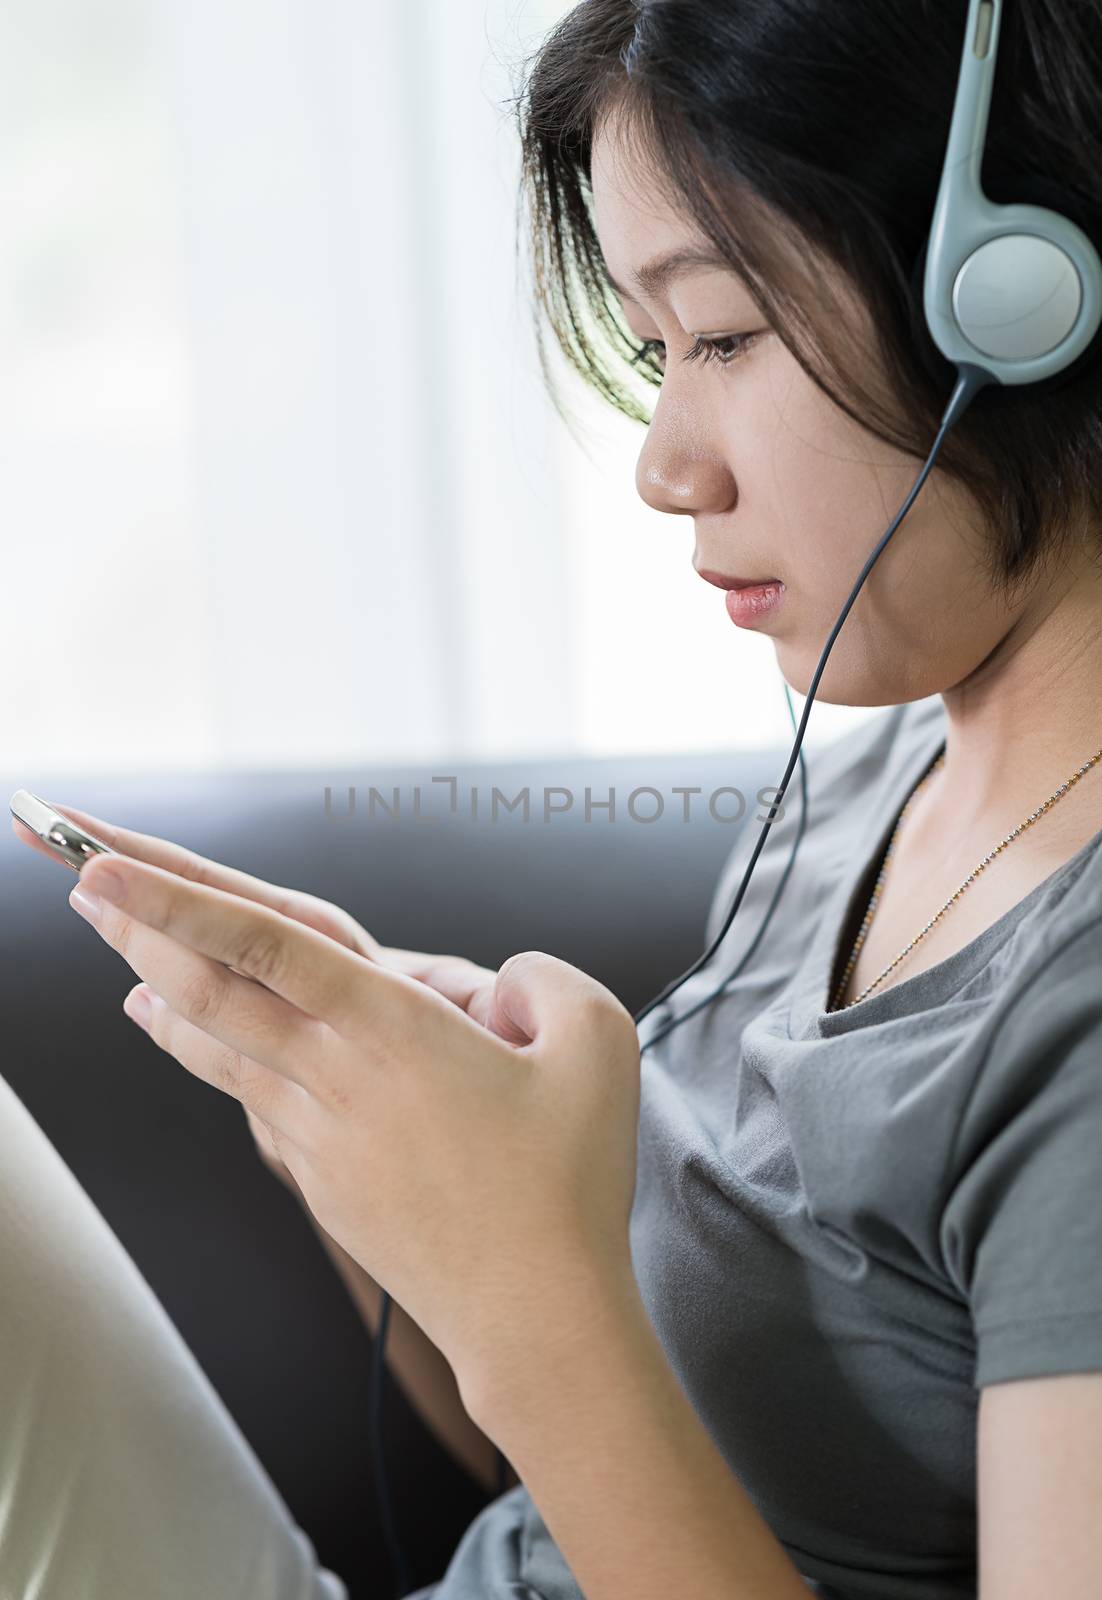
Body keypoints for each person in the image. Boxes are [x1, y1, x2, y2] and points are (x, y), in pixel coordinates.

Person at [5, 1, 1102, 1597]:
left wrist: (531, 1280)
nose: (665, 464)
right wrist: (367, 1131)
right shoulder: (869, 786)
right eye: (657, 355)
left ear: (1015, 304)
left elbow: (562, 1363)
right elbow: (556, 1478)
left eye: (720, 335)